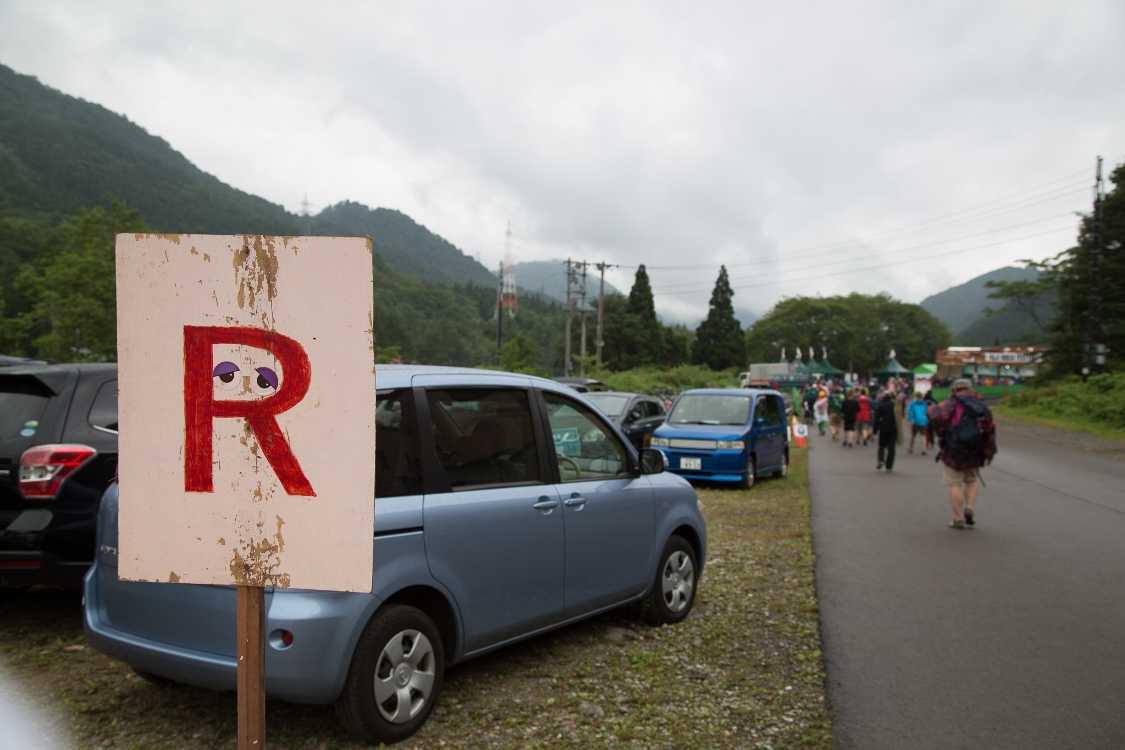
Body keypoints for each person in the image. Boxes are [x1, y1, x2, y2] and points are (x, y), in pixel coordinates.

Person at [928, 378, 998, 529]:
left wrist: (942, 433)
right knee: (971, 480)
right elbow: (990, 427)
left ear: (954, 390)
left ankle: (958, 518)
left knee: (955, 483)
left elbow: (933, 415)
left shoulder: (950, 403)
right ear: (970, 388)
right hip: (975, 449)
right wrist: (988, 450)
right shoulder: (980, 404)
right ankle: (970, 508)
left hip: (953, 449)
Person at [872, 389, 898, 471]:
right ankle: (889, 465)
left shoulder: (880, 405)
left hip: (883, 428)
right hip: (893, 428)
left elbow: (876, 418)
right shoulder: (894, 405)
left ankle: (881, 460)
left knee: (881, 445)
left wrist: (875, 429)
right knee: (891, 447)